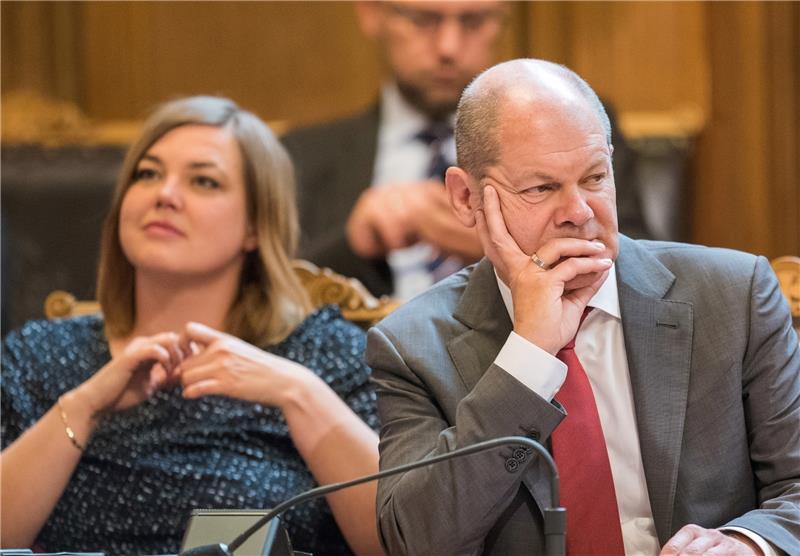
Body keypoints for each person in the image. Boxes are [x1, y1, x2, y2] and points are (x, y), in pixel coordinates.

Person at [367, 59, 800, 555]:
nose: (579, 212)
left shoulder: (732, 295)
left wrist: (746, 544)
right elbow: (418, 541)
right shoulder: (412, 347)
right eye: (541, 188)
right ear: (466, 198)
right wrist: (529, 355)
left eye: (595, 178)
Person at [1, 96, 383, 556]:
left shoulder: (325, 356)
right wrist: (83, 406)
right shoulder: (40, 357)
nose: (165, 194)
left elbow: (399, 541)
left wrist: (299, 393)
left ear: (256, 227)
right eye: (148, 174)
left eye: (204, 181)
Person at [282, 1, 650, 301]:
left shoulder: (576, 126)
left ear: (503, 18)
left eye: (473, 22)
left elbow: (644, 267)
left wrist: (504, 243)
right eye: (423, 20)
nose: (448, 47)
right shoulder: (302, 155)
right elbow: (264, 300)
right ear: (371, 13)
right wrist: (352, 242)